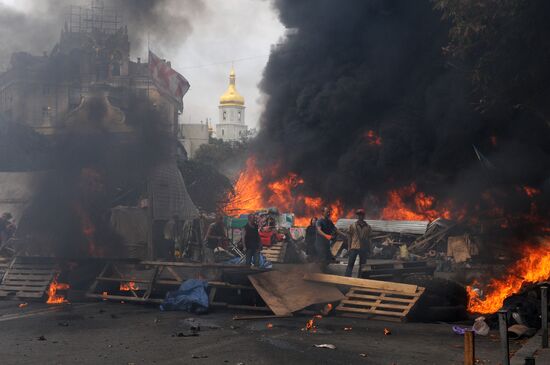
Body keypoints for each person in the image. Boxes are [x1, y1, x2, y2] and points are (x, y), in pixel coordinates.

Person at [345, 209, 371, 277]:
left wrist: (370, 249)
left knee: (362, 266)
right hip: (354, 247)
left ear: (363, 216)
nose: (360, 216)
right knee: (350, 264)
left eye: (361, 215)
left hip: (363, 248)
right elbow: (349, 236)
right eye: (359, 215)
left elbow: (369, 238)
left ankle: (360, 279)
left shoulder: (368, 227)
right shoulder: (353, 226)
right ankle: (346, 279)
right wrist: (348, 247)